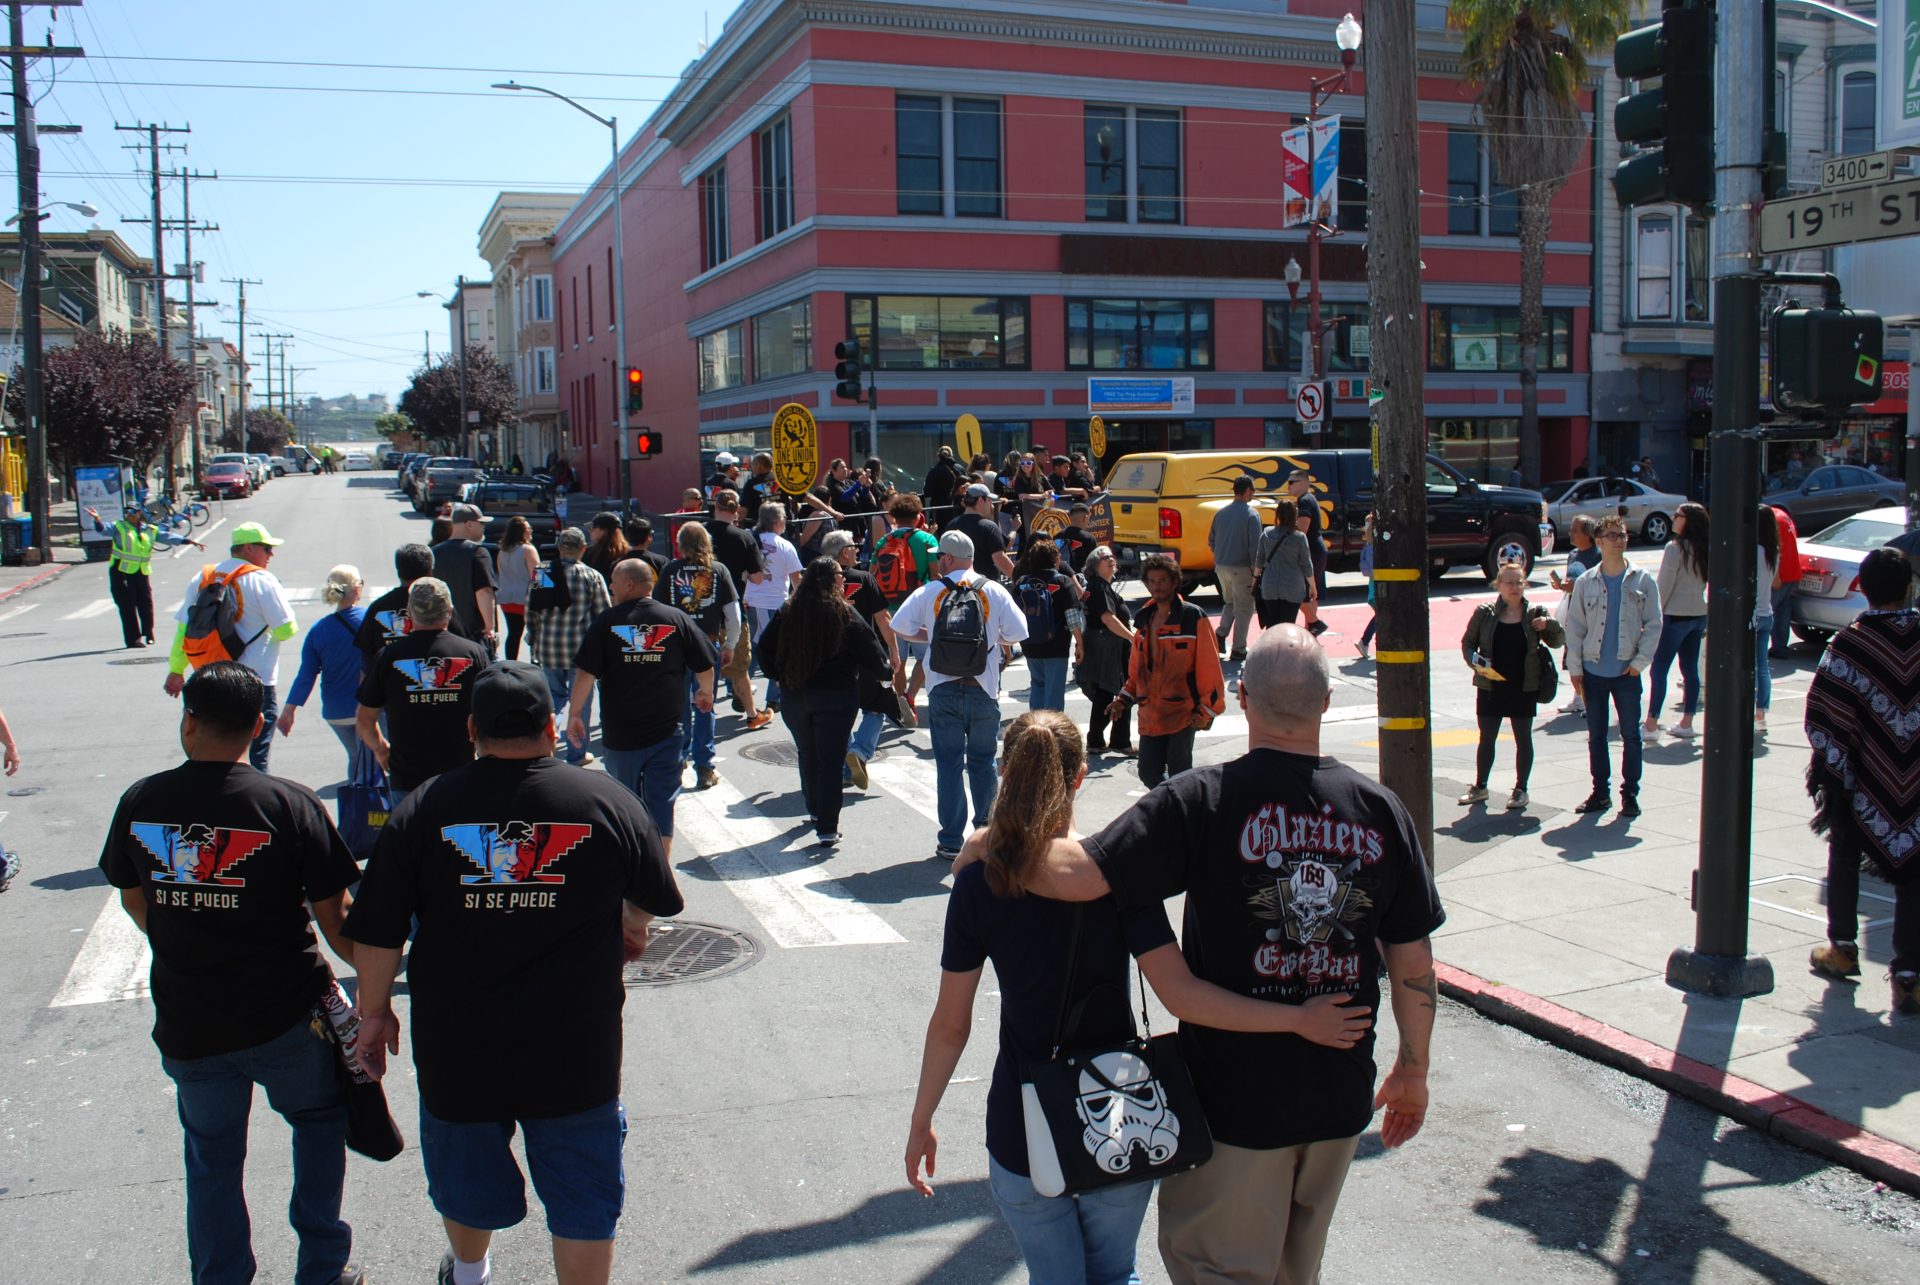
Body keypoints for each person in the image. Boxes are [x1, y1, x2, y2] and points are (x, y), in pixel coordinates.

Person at [960, 627, 1443, 1285]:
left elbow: (1078, 874)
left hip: (1235, 1103)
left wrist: (994, 839)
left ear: (1242, 697)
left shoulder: (1201, 800)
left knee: (1217, 1269)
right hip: (1339, 1098)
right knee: (1293, 1272)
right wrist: (1412, 1070)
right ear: (1327, 702)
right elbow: (1414, 963)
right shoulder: (1382, 810)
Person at [905, 710, 1376, 1283]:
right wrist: (1297, 1018)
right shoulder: (1117, 878)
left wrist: (922, 1119)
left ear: (1004, 770)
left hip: (1021, 1119)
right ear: (1079, 777)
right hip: (1123, 1114)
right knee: (1116, 1272)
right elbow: (1183, 996)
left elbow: (952, 1023)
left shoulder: (982, 882)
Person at [344, 663, 684, 1285]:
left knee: (464, 1177)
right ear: (551, 727)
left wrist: (373, 1012)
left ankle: (470, 1273)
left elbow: (377, 931)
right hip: (575, 1043)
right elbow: (656, 897)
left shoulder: (423, 809)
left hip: (459, 1043)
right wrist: (629, 927)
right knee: (584, 1195)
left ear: (471, 728)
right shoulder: (606, 800)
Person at [101, 662, 367, 1285]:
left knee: (212, 1157)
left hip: (191, 1020)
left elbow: (135, 900)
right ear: (258, 724)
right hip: (288, 1017)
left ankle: (221, 1275)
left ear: (188, 720)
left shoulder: (143, 801)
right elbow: (338, 921)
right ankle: (323, 1265)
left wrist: (185, 937)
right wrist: (384, 988)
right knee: (319, 1125)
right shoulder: (288, 804)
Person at [1804, 547, 1920, 1015]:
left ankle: (1843, 948)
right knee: (1916, 870)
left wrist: (1839, 769)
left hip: (1862, 780)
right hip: (1916, 782)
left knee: (1846, 851)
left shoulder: (1850, 644)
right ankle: (1910, 976)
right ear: (1909, 586)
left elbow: (1821, 715)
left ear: (1862, 588)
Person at [890, 530, 1028, 860]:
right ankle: (985, 834)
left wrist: (933, 634)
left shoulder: (931, 591)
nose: (937, 561)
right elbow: (1019, 632)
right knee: (982, 763)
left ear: (949, 558)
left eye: (940, 557)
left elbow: (899, 625)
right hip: (983, 688)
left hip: (942, 688)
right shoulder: (992, 590)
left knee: (949, 765)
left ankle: (951, 840)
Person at [570, 558, 716, 853]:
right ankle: (660, 873)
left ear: (629, 584)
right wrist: (705, 692)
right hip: (667, 731)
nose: (610, 586)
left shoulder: (607, 622)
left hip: (621, 734)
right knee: (662, 804)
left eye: (613, 580)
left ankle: (634, 869)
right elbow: (704, 662)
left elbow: (585, 672)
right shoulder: (676, 618)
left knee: (625, 804)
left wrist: (574, 714)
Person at [757, 558, 892, 846]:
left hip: (796, 694)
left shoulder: (788, 610)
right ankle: (827, 826)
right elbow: (872, 652)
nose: (844, 581)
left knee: (807, 754)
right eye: (841, 577)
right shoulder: (844, 612)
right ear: (832, 581)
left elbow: (764, 648)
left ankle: (816, 812)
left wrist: (776, 675)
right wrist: (885, 673)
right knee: (830, 760)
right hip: (836, 697)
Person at [164, 522, 300, 773]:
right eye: (267, 548)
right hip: (255, 681)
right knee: (254, 756)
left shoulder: (202, 578)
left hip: (210, 679)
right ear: (248, 548)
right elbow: (286, 629)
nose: (271, 554)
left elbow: (185, 630)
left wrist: (176, 669)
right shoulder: (262, 580)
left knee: (211, 754)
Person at [1563, 514, 1663, 816]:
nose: (1619, 540)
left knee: (1631, 736)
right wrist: (1576, 669)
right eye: (1611, 535)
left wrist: (1638, 664)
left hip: (1626, 674)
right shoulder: (1586, 582)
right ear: (1599, 541)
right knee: (1596, 736)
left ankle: (1629, 794)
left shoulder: (1643, 580)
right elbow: (1576, 627)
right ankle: (1600, 793)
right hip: (1593, 672)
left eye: (1621, 535)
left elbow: (1654, 625)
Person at [356, 579, 490, 797]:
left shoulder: (388, 657)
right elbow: (490, 712)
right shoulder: (473, 654)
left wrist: (382, 751)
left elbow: (364, 719)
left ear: (410, 612)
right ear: (450, 610)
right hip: (462, 774)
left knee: (413, 831)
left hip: (407, 779)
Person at [1110, 554, 1226, 788]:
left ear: (1175, 582)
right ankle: (1172, 808)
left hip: (1183, 714)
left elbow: (1210, 669)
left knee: (1180, 776)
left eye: (1162, 580)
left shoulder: (1192, 616)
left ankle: (1180, 816)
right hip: (1150, 714)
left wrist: (1205, 712)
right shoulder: (1144, 619)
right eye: (1152, 581)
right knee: (1148, 773)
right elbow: (1137, 672)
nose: (1156, 586)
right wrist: (1122, 699)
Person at [1458, 561, 1564, 812]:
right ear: (1498, 585)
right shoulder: (1484, 613)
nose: (1515, 587)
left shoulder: (1534, 613)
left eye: (1520, 581)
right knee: (1487, 737)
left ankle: (1520, 790)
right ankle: (1480, 786)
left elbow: (1559, 641)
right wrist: (1478, 665)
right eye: (1509, 582)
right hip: (1490, 684)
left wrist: (1548, 624)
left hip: (1523, 685)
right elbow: (1467, 645)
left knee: (1523, 738)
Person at [658, 522, 755, 789]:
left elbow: (658, 612)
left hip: (676, 646)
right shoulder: (719, 570)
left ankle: (677, 762)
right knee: (705, 705)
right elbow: (733, 615)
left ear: (680, 544)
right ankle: (704, 766)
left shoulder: (670, 570)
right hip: (706, 644)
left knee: (678, 707)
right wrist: (730, 645)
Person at [820, 529, 907, 788]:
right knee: (876, 708)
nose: (857, 550)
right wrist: (893, 649)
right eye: (853, 546)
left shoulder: (816, 581)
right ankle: (859, 752)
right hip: (865, 655)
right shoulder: (865, 578)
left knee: (841, 713)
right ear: (843, 552)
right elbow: (883, 618)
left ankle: (849, 765)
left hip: (830, 659)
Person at [528, 528, 613, 767]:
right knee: (581, 702)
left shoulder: (542, 573)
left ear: (559, 547)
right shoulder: (591, 576)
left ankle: (544, 745)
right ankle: (576, 753)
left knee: (552, 699)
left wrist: (534, 638)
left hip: (548, 649)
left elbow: (531, 610)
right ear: (583, 549)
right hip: (581, 652)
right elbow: (602, 616)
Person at [277, 565, 368, 781]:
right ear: (356, 589)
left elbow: (306, 675)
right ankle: (376, 809)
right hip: (368, 707)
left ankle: (356, 805)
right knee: (371, 758)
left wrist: (289, 710)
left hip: (336, 711)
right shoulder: (371, 620)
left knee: (356, 757)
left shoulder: (318, 630)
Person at [86, 502, 204, 648]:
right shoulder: (119, 527)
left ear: (139, 513)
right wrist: (97, 520)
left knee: (146, 604)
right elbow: (104, 530)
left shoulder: (149, 530)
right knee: (127, 606)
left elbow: (166, 537)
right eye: (127, 512)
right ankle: (133, 639)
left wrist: (188, 541)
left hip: (141, 572)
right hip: (121, 572)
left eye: (133, 512)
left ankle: (148, 633)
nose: (130, 514)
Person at [874, 493, 942, 717]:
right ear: (917, 516)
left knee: (898, 659)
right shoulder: (927, 540)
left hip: (892, 606)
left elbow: (873, 573)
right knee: (926, 655)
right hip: (920, 606)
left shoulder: (884, 542)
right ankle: (909, 697)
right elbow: (936, 574)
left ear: (894, 518)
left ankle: (899, 704)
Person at [1646, 503, 1709, 739]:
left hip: (1674, 616)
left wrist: (1653, 617)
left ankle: (1651, 723)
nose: (1673, 518)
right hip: (1697, 614)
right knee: (1690, 669)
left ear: (1688, 520)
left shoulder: (1675, 549)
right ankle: (1687, 721)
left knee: (1659, 669)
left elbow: (1663, 587)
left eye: (1678, 515)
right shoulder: (1704, 547)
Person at [706, 490, 769, 710]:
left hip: (700, 608)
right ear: (737, 510)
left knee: (702, 668)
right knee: (740, 666)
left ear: (716, 507)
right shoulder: (744, 537)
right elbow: (758, 578)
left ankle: (703, 714)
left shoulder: (701, 534)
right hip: (732, 607)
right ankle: (752, 713)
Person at [355, 543, 469, 659]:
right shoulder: (440, 603)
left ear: (398, 571)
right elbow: (463, 641)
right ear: (430, 571)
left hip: (390, 674)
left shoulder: (378, 607)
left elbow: (367, 657)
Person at [743, 502, 802, 720]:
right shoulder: (785, 545)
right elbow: (797, 579)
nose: (786, 522)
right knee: (769, 651)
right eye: (784, 518)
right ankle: (767, 697)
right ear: (777, 521)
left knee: (755, 649)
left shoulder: (750, 540)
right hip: (772, 602)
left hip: (752, 600)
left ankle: (746, 692)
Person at [1013, 538, 1084, 713]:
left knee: (1037, 684)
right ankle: (1051, 733)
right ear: (1055, 558)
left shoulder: (1022, 582)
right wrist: (1080, 643)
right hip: (1056, 645)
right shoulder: (1062, 581)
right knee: (1054, 691)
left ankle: (1035, 728)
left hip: (1030, 643)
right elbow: (1072, 616)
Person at [1078, 545, 1135, 757]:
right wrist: (1132, 637)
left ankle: (1104, 740)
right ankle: (1111, 740)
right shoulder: (1099, 587)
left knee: (1108, 691)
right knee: (1119, 690)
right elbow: (1107, 618)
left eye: (1112, 556)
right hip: (1106, 645)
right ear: (1095, 565)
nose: (1111, 560)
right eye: (1104, 557)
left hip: (1106, 644)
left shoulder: (1101, 586)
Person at [1208, 476, 1263, 662]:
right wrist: (1257, 571)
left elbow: (1212, 540)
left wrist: (1221, 554)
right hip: (1242, 567)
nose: (1253, 495)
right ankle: (1239, 648)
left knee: (1230, 602)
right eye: (1253, 491)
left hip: (1221, 567)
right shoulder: (1251, 515)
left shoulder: (1221, 513)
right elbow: (1255, 546)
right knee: (1245, 608)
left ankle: (1221, 633)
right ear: (1247, 490)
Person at [432, 503, 498, 656]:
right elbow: (484, 592)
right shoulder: (478, 552)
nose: (484, 527)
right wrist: (489, 627)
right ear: (469, 524)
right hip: (473, 635)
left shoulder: (434, 553)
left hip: (441, 634)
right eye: (481, 523)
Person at [1254, 495, 1315, 629]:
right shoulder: (1299, 538)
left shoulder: (1266, 533)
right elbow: (1306, 564)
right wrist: (1313, 586)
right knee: (1287, 626)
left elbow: (1259, 561)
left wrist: (1254, 580)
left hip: (1269, 585)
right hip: (1292, 587)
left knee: (1272, 626)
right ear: (1295, 515)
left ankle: (1270, 650)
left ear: (1277, 515)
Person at [1287, 469, 1330, 637]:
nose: (1288, 485)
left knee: (1300, 592)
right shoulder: (1308, 499)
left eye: (1292, 482)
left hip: (1310, 552)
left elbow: (1302, 529)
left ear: (1304, 482)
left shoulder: (1304, 501)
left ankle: (1314, 623)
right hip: (1315, 551)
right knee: (1311, 593)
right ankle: (1311, 630)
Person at [945, 483, 1016, 581]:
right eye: (989, 500)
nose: (991, 504)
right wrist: (1018, 580)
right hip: (985, 587)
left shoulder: (951, 525)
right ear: (981, 501)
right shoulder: (989, 527)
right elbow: (999, 558)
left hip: (957, 586)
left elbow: (944, 559)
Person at [1754, 504, 1783, 738]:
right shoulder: (1773, 551)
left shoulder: (1752, 550)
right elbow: (1776, 583)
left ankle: (1752, 709)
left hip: (1752, 615)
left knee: (1748, 666)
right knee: (1762, 666)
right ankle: (1761, 711)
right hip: (1766, 612)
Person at [495, 516, 540, 661]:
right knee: (535, 634)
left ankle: (510, 663)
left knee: (514, 634)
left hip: (506, 600)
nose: (531, 530)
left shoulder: (503, 550)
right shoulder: (528, 549)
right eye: (528, 528)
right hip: (526, 599)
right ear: (521, 532)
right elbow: (538, 576)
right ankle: (535, 663)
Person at [1769, 503, 1803, 657]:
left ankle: (1762, 648)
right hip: (1793, 571)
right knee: (1782, 610)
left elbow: (1774, 549)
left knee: (1767, 612)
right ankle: (1780, 647)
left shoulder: (1771, 519)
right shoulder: (1781, 515)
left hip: (1780, 575)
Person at [582, 511, 630, 584]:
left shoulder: (590, 553)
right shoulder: (628, 552)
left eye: (593, 528)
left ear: (604, 531)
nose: (590, 531)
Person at [1356, 511, 1379, 658]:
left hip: (1372, 586)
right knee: (1382, 616)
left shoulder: (1369, 545)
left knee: (1381, 616)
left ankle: (1366, 641)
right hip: (1377, 586)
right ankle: (1365, 641)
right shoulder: (1376, 547)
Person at [924, 445, 964, 517]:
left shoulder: (934, 471)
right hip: (958, 509)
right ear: (951, 455)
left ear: (938, 457)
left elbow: (927, 493)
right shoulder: (960, 469)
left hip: (939, 511)